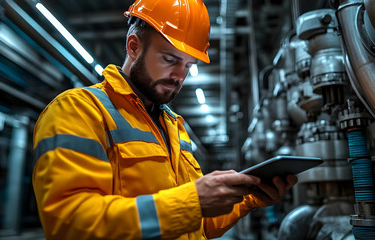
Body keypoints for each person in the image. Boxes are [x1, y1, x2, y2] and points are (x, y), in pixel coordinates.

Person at [32, 0, 298, 239]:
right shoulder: (79, 110)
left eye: (188, 66)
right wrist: (192, 201)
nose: (179, 76)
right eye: (170, 59)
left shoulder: (173, 126)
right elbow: (70, 224)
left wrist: (249, 196)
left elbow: (201, 225)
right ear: (134, 47)